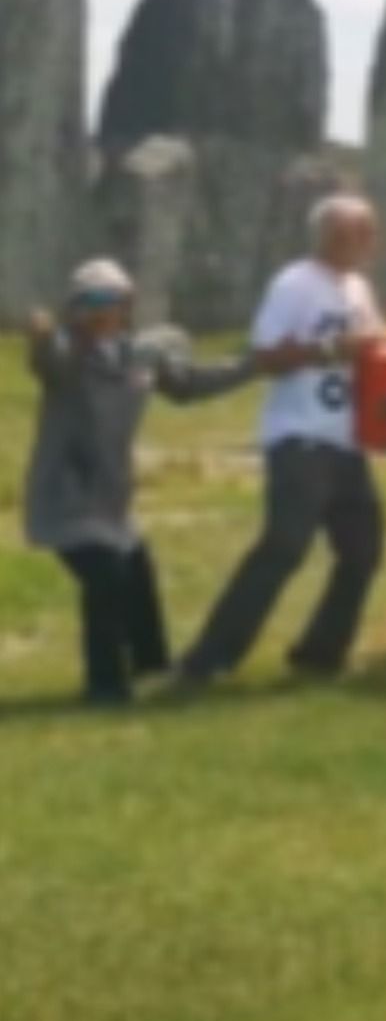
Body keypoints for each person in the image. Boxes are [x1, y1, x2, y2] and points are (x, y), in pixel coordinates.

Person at [173, 196, 386, 688]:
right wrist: (328, 349)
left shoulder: (360, 289)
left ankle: (320, 655)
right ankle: (207, 661)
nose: (364, 242)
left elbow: (376, 355)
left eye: (369, 233)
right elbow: (264, 355)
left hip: (346, 443)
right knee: (284, 547)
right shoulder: (294, 284)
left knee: (363, 550)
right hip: (300, 439)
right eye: (352, 232)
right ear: (324, 234)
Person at [22, 260, 260, 706]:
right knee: (105, 580)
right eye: (88, 301)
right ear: (74, 308)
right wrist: (40, 335)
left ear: (126, 306)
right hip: (66, 498)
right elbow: (47, 360)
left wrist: (255, 365)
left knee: (136, 573)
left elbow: (188, 385)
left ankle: (152, 667)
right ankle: (106, 687)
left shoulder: (140, 356)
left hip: (111, 499)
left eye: (109, 301)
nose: (99, 311)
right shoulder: (68, 355)